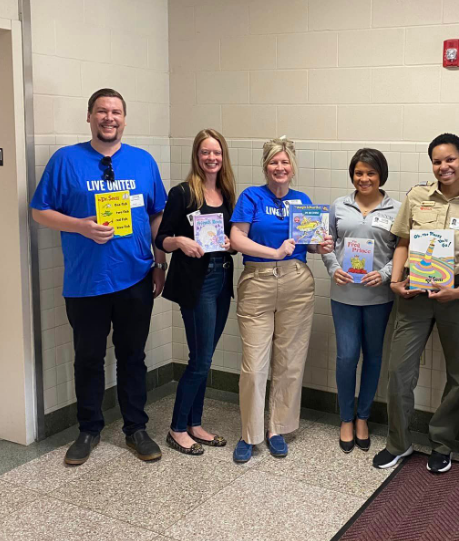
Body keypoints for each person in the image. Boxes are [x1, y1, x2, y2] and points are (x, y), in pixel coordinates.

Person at [30, 88, 167, 465]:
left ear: (124, 118)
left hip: (136, 275)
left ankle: (136, 428)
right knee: (88, 357)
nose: (110, 117)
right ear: (89, 117)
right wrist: (80, 226)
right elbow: (40, 211)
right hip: (86, 281)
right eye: (102, 111)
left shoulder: (142, 161)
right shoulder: (66, 160)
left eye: (116, 112)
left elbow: (157, 214)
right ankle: (89, 429)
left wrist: (159, 261)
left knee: (132, 356)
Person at [373, 133, 459, 473]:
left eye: (451, 159)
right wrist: (396, 280)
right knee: (399, 370)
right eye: (438, 161)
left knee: (458, 371)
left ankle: (442, 443)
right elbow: (402, 242)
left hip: (457, 292)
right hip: (415, 291)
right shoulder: (417, 197)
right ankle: (398, 442)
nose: (444, 166)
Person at [229, 137, 333, 463]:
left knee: (289, 362)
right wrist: (272, 252)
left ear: (292, 167)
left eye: (285, 162)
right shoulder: (251, 197)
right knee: (254, 365)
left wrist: (321, 245)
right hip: (257, 281)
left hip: (296, 282)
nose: (280, 167)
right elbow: (236, 238)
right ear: (266, 165)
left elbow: (310, 245)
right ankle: (250, 434)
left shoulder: (302, 201)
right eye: (274, 162)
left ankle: (277, 428)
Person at [156, 129, 236, 455]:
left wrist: (232, 244)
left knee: (205, 357)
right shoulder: (182, 194)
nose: (211, 158)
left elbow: (231, 238)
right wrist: (180, 242)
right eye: (205, 152)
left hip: (222, 279)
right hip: (196, 284)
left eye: (216, 153)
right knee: (200, 360)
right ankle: (177, 428)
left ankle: (196, 423)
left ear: (223, 156)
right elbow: (161, 237)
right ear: (196, 155)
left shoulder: (228, 194)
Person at [321, 148, 400, 453]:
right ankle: (345, 418)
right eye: (359, 173)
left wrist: (383, 274)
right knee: (347, 356)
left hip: (379, 295)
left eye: (370, 173)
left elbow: (401, 250)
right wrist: (334, 268)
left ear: (381, 175)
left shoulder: (396, 208)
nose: (364, 178)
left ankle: (363, 417)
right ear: (352, 175)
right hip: (344, 294)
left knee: (374, 356)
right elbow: (325, 241)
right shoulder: (339, 205)